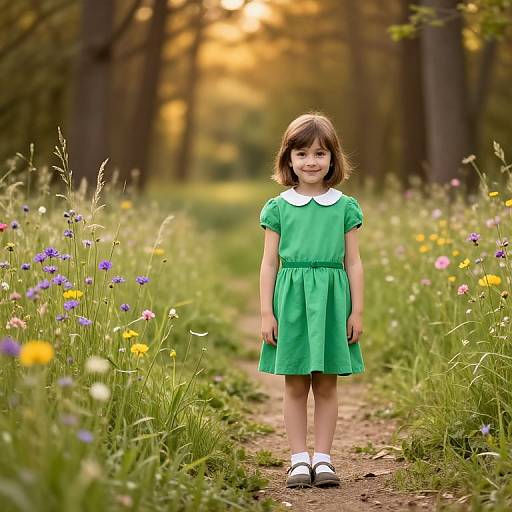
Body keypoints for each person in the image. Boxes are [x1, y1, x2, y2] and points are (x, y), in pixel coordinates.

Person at [258, 112, 364, 489]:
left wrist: (357, 310)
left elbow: (353, 261)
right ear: (288, 159)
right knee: (295, 383)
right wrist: (266, 312)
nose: (311, 162)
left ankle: (324, 458)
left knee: (327, 384)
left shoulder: (344, 206)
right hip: (292, 301)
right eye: (301, 154)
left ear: (333, 158)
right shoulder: (279, 207)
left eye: (320, 153)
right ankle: (298, 459)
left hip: (333, 300)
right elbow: (269, 263)